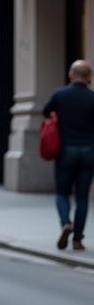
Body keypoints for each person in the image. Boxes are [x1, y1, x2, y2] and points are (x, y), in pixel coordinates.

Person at [42, 59, 94, 251]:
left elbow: (46, 111)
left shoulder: (60, 95)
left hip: (66, 152)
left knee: (62, 193)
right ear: (89, 78)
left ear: (71, 75)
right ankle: (78, 240)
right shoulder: (92, 98)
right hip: (89, 153)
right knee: (82, 197)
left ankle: (65, 223)